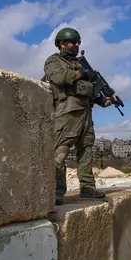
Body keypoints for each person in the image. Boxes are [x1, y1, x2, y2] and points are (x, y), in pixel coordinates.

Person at [43, 27, 113, 205]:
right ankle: (56, 193)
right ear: (61, 44)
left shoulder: (82, 64)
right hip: (66, 112)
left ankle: (87, 188)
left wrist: (102, 100)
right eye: (72, 42)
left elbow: (89, 90)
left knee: (86, 150)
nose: (75, 45)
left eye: (77, 42)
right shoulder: (54, 61)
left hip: (85, 115)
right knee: (60, 152)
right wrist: (81, 73)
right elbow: (59, 78)